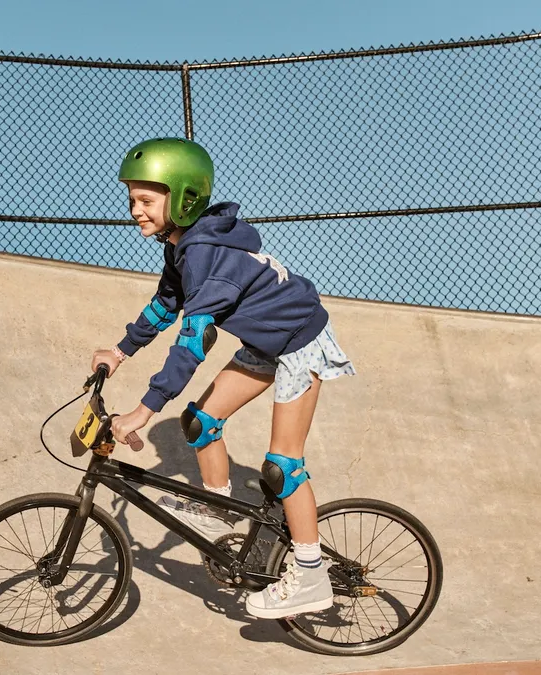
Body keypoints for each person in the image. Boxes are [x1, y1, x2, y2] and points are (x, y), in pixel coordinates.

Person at [91, 138, 356, 619]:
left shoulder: (205, 254)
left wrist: (144, 410)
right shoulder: (181, 248)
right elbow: (164, 306)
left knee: (282, 467)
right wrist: (120, 351)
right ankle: (217, 510)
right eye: (131, 199)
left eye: (146, 200)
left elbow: (193, 342)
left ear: (183, 197)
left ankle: (311, 575)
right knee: (201, 423)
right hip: (266, 344)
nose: (134, 211)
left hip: (301, 344)